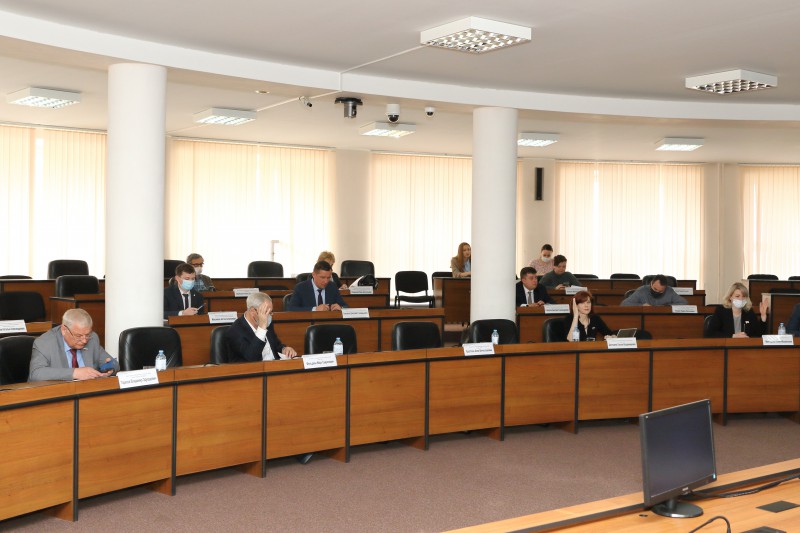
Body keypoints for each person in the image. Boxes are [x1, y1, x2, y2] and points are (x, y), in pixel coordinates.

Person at [29, 308, 119, 381]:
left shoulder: (92, 338)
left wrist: (110, 368)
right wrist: (75, 373)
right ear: (64, 330)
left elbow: (114, 364)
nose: (84, 340)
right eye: (78, 336)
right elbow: (36, 374)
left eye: (87, 335)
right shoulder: (44, 343)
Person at [224, 292, 297, 361]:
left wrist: (284, 349)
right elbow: (251, 358)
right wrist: (262, 329)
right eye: (266, 312)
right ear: (253, 311)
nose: (269, 316)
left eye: (271, 312)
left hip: (275, 366)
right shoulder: (235, 331)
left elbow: (276, 345)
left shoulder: (267, 322)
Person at [621, 274, 687, 306]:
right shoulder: (642, 290)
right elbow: (624, 304)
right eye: (655, 289)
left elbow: (684, 303)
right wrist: (642, 305)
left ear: (665, 287)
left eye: (661, 291)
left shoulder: (669, 290)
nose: (657, 292)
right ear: (651, 283)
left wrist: (667, 306)